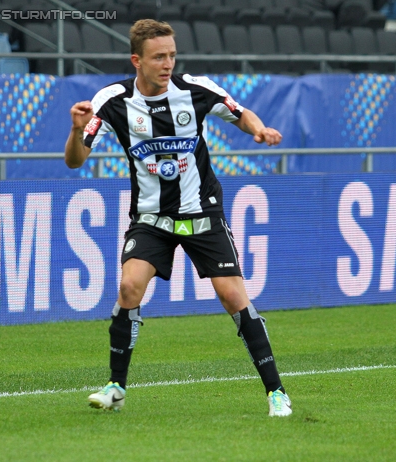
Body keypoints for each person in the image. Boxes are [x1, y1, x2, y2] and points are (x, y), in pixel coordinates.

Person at [64, 19, 292, 417]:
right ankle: (116, 386)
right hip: (151, 217)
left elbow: (238, 112)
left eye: (171, 55)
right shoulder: (111, 100)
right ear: (137, 60)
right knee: (129, 287)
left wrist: (259, 130)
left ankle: (277, 393)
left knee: (232, 296)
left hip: (201, 210)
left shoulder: (194, 89)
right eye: (158, 57)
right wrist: (76, 129)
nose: (167, 63)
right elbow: (74, 160)